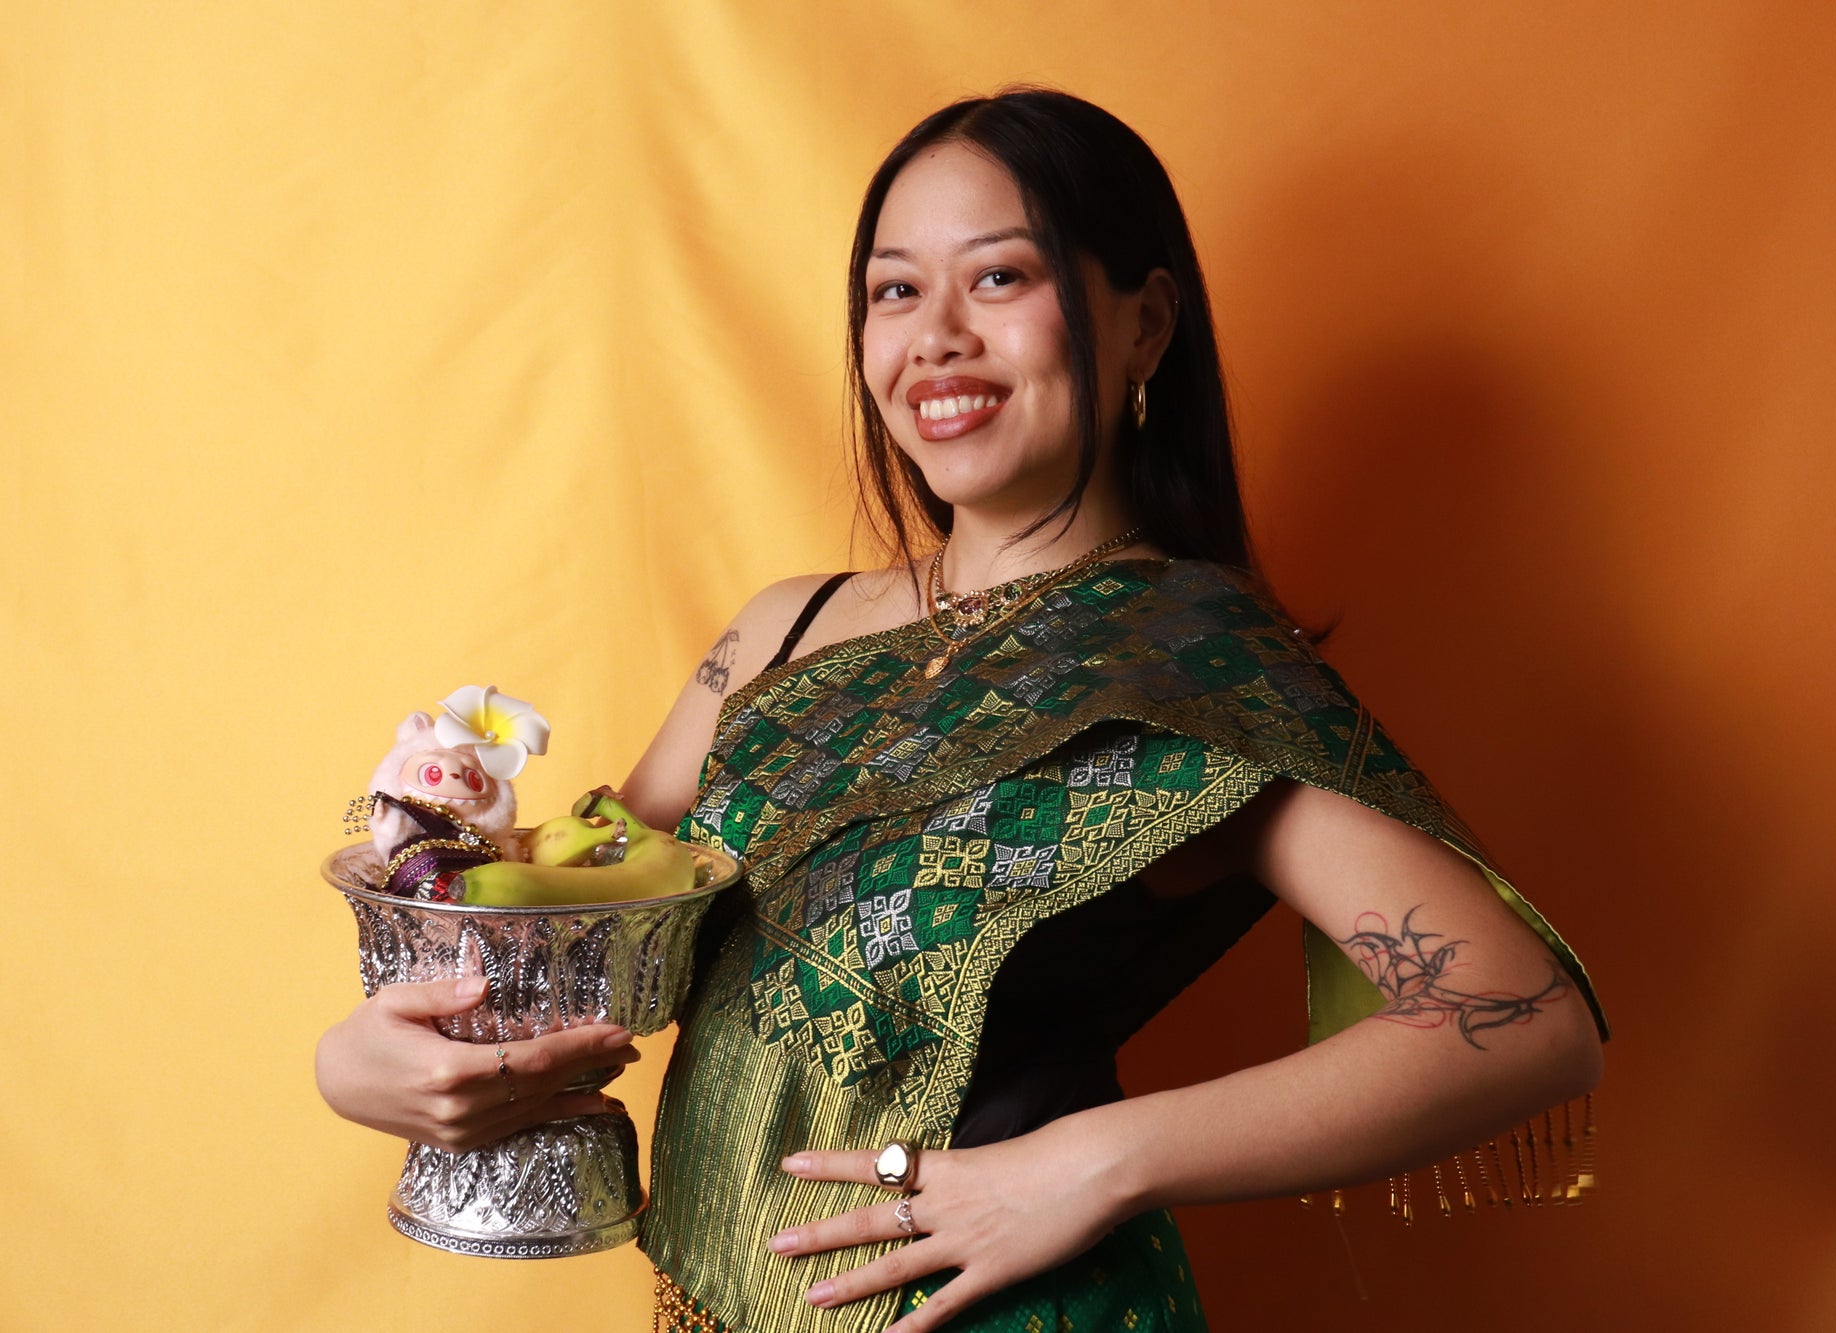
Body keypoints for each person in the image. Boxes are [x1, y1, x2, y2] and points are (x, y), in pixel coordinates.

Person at [316, 88, 1607, 1333]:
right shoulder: (784, 631)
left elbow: (1526, 1018)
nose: (935, 336)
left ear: (1145, 325)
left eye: (1000, 276)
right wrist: (364, 1063)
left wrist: (1095, 1162)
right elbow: (587, 944)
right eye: (895, 291)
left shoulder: (1195, 671)